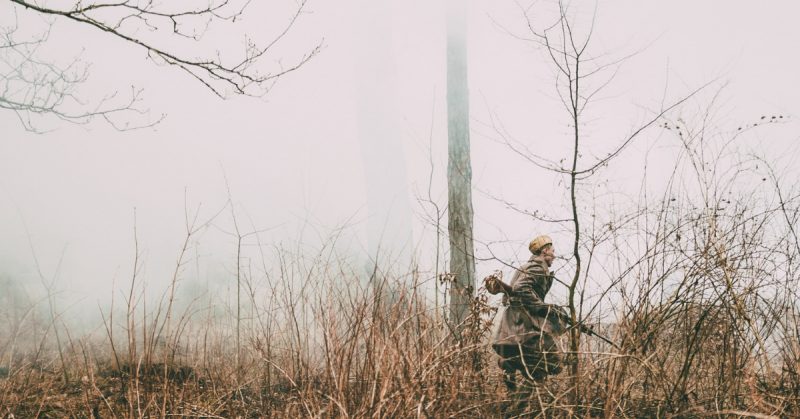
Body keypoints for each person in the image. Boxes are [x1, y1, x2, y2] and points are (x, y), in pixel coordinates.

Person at [487, 235, 568, 391]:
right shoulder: (537, 267)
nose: (554, 255)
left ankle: (509, 365)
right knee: (551, 362)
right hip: (524, 324)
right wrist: (543, 307)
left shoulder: (528, 266)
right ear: (545, 251)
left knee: (535, 367)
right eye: (553, 251)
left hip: (517, 323)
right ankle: (516, 407)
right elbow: (520, 289)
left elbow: (517, 291)